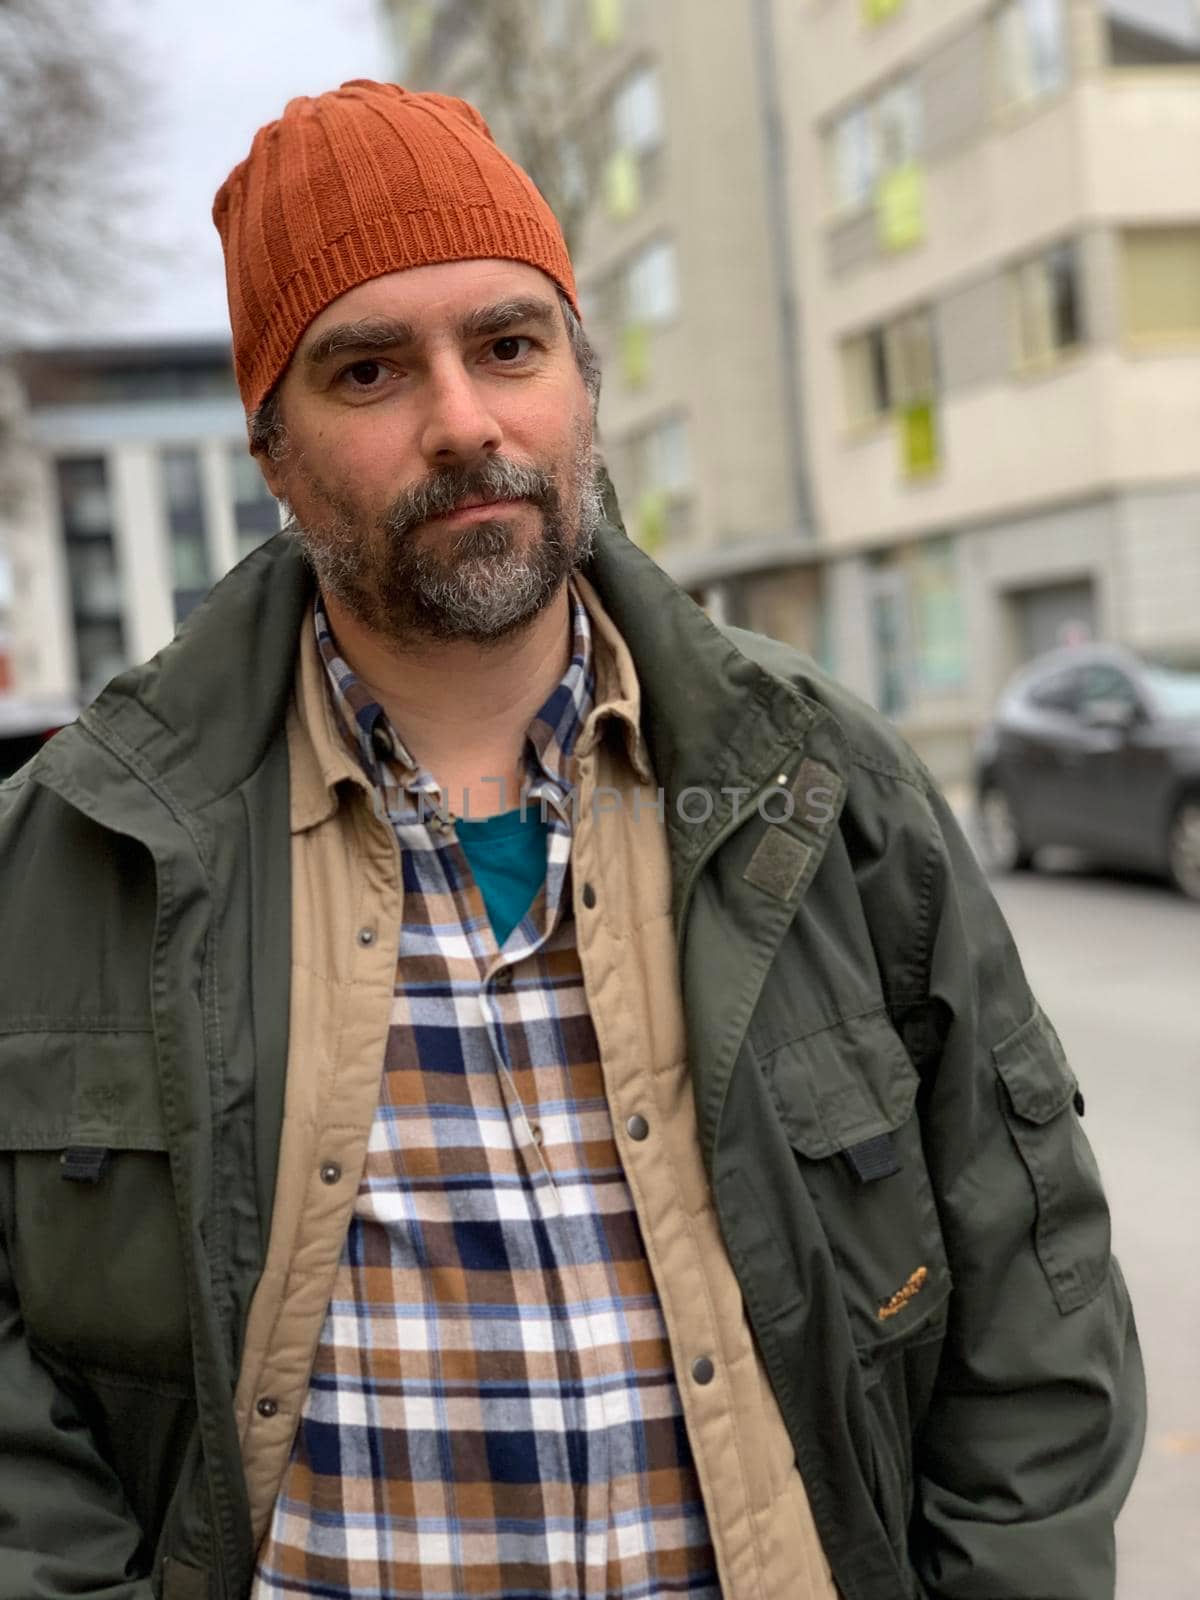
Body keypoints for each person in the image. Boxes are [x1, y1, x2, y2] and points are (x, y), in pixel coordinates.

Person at [0, 80, 1143, 1600]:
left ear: (581, 382)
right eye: (368, 370)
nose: (463, 419)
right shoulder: (75, 852)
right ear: (273, 449)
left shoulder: (820, 787)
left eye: (508, 345)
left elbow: (1034, 1299)